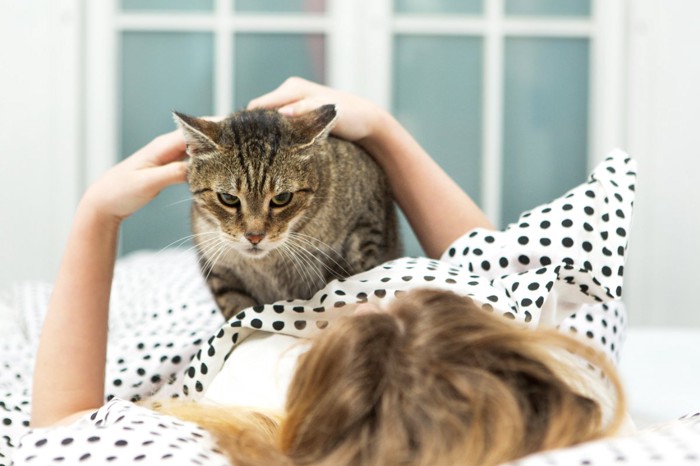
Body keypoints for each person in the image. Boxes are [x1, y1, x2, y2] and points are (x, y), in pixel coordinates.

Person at [17, 77, 635, 465]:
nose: (365, 299)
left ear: (315, 399)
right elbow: (502, 263)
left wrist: (96, 217)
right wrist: (382, 129)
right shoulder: (560, 388)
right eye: (417, 302)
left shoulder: (237, 425)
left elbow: (61, 427)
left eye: (374, 321)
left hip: (177, 318)